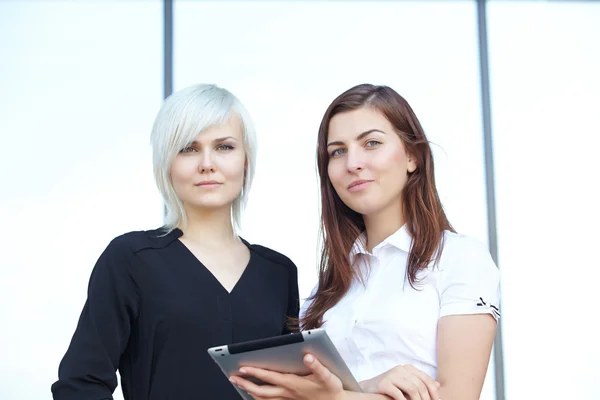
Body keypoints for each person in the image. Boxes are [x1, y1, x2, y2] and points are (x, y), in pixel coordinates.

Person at [231, 84, 500, 400]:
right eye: (338, 151)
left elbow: (458, 397)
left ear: (413, 156)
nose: (352, 163)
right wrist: (369, 385)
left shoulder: (460, 258)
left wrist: (335, 398)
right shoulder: (326, 291)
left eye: (371, 143)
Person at [51, 84, 300, 400]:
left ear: (246, 160)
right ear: (166, 164)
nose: (207, 163)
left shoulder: (279, 272)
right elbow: (80, 383)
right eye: (188, 148)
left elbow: (292, 388)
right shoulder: (131, 259)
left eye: (224, 147)